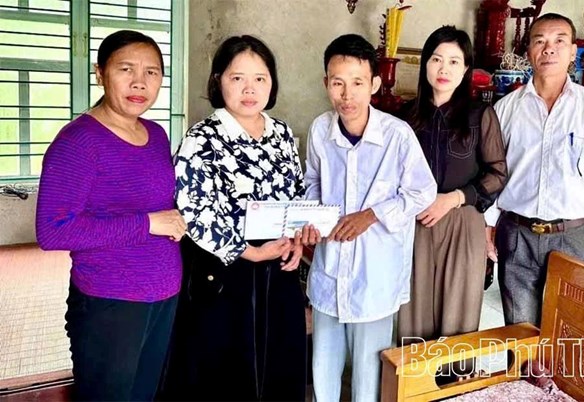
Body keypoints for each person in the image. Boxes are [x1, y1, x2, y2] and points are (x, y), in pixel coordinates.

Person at [36, 30, 185, 401]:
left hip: (164, 293)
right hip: (110, 300)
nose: (140, 82)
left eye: (152, 72)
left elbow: (161, 201)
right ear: (100, 73)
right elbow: (53, 231)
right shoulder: (78, 141)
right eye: (126, 69)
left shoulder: (156, 134)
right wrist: (148, 223)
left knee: (144, 395)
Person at [162, 35, 307, 401]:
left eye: (260, 78)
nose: (249, 89)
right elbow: (193, 210)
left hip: (278, 264)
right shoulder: (202, 138)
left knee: (277, 362)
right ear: (218, 81)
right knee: (228, 369)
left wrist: (295, 240)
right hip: (226, 267)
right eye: (237, 77)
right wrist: (251, 252)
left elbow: (296, 191)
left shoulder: (282, 133)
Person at [303, 34, 437, 402]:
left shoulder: (397, 136)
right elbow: (312, 181)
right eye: (338, 83)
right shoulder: (320, 130)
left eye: (358, 83)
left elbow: (422, 191)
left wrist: (372, 215)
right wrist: (313, 218)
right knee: (324, 362)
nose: (347, 95)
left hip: (375, 271)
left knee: (368, 369)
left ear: (375, 84)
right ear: (326, 83)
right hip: (331, 266)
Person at [485, 13, 584, 327]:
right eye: (540, 41)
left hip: (572, 237)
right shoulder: (505, 109)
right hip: (516, 234)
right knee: (521, 333)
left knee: (569, 331)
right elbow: (493, 172)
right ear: (529, 51)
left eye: (559, 41)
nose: (549, 48)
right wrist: (487, 225)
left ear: (573, 51)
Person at [396, 26, 507, 345]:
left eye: (454, 61)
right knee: (413, 316)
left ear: (466, 68)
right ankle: (416, 377)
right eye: (436, 59)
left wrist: (454, 198)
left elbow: (497, 173)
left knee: (458, 319)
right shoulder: (406, 116)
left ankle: (455, 378)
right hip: (416, 224)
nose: (444, 69)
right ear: (425, 65)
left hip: (462, 222)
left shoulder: (479, 115)